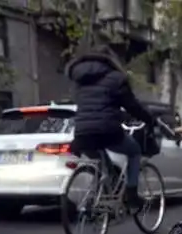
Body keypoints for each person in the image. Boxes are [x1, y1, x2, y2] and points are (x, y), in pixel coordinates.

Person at [66, 45, 154, 210]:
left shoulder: (78, 80)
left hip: (82, 133)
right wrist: (148, 119)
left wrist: (117, 115)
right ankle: (132, 194)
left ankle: (101, 195)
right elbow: (131, 105)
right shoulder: (116, 78)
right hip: (107, 130)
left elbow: (92, 105)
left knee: (101, 163)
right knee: (134, 151)